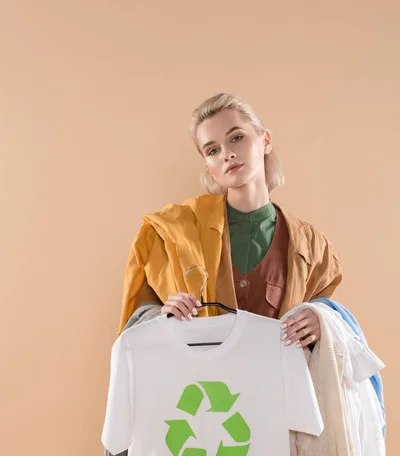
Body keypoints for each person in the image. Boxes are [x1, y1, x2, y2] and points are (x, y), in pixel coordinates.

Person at [117, 92, 342, 344]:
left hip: (277, 381)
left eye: (236, 138)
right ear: (208, 167)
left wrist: (321, 320)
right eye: (213, 150)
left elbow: (337, 332)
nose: (227, 154)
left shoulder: (312, 247)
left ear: (265, 140)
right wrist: (163, 316)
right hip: (200, 382)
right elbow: (135, 332)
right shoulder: (170, 233)